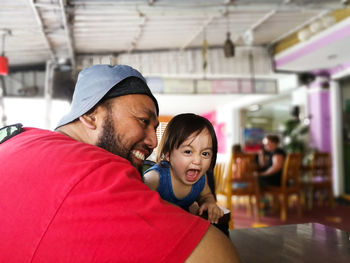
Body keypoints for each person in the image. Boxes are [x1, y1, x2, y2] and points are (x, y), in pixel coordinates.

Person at [0, 64, 239, 262]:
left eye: (155, 128)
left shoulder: (19, 139)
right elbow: (218, 256)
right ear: (91, 114)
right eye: (143, 120)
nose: (152, 142)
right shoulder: (92, 169)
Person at [143, 113, 224, 224]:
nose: (197, 161)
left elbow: (206, 196)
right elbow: (138, 203)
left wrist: (209, 202)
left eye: (205, 153)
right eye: (188, 152)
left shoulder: (201, 180)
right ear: (168, 154)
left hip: (183, 226)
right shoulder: (155, 178)